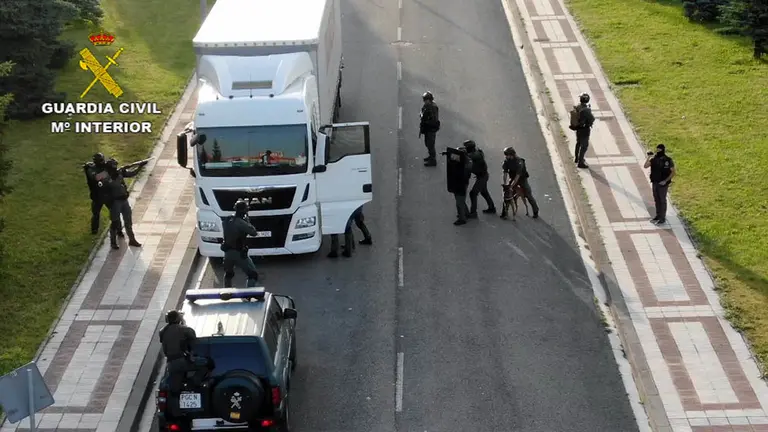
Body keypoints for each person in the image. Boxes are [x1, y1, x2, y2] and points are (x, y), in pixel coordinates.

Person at [159, 310, 209, 411]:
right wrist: (183, 323)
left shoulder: (162, 331)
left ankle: (177, 412)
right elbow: (193, 335)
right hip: (182, 361)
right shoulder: (182, 329)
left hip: (171, 364)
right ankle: (194, 382)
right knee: (207, 363)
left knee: (175, 391)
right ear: (178, 318)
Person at [101, 158, 143, 249]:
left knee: (128, 221)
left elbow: (132, 173)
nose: (116, 168)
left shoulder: (119, 173)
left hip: (124, 200)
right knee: (115, 222)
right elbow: (106, 184)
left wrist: (140, 166)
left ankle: (132, 239)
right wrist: (113, 175)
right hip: (115, 202)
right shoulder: (105, 176)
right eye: (114, 167)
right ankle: (113, 242)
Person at [221, 199, 260, 287]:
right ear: (244, 211)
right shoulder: (241, 222)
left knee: (229, 274)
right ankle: (249, 293)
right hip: (239, 252)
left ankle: (226, 291)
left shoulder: (227, 219)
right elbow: (253, 232)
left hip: (227, 253)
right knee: (253, 274)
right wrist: (248, 221)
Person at [83, 152, 123, 236]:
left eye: (102, 160)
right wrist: (108, 171)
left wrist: (113, 165)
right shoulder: (91, 169)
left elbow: (115, 172)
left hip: (108, 195)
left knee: (115, 213)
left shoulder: (106, 166)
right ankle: (94, 230)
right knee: (96, 214)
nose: (102, 162)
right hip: (97, 196)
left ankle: (119, 230)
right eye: (100, 160)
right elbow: (96, 177)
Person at [501, 147, 539, 219]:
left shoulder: (519, 162)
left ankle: (535, 210)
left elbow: (517, 176)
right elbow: (505, 173)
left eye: (507, 155)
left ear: (511, 155)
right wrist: (506, 184)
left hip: (522, 179)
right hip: (512, 177)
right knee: (507, 194)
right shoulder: (507, 161)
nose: (506, 156)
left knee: (528, 194)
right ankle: (504, 212)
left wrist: (511, 186)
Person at [644, 143, 675, 225]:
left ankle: (662, 218)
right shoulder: (654, 159)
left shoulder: (668, 160)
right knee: (656, 199)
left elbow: (673, 172)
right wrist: (649, 157)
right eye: (657, 149)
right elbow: (645, 166)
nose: (658, 151)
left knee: (662, 200)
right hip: (655, 182)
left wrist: (665, 181)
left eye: (660, 149)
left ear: (663, 150)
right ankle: (658, 215)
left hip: (663, 183)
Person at [463, 140, 496, 217]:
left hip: (482, 177)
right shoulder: (475, 152)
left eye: (466, 147)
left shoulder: (476, 155)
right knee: (484, 192)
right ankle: (492, 208)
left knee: (473, 193)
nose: (465, 149)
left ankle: (473, 213)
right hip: (481, 176)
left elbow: (469, 156)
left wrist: (460, 154)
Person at [442, 147, 472, 225]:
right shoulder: (463, 159)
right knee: (460, 200)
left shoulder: (467, 163)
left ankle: (462, 219)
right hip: (458, 183)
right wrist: (448, 153)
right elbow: (455, 157)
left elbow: (464, 173)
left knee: (459, 202)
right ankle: (466, 213)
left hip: (461, 184)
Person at [570, 92, 595, 169]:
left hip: (578, 129)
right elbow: (592, 119)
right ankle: (580, 162)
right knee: (584, 146)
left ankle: (577, 158)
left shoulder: (578, 106)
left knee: (578, 143)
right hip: (585, 129)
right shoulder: (586, 110)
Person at [419, 91, 440, 167]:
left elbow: (434, 120)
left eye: (425, 99)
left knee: (430, 144)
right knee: (427, 143)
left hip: (431, 129)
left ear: (429, 99)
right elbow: (423, 112)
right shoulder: (427, 105)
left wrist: (426, 121)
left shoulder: (433, 107)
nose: (424, 101)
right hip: (427, 128)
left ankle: (433, 160)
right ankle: (431, 156)